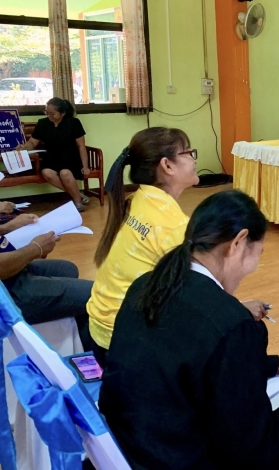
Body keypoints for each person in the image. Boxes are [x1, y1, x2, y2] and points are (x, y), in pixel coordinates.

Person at [100, 190, 279, 470]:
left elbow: (193, 366)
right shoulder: (232, 325)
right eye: (258, 253)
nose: (255, 265)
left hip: (133, 447)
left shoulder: (146, 285)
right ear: (238, 243)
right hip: (185, 460)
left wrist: (275, 364)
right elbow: (255, 447)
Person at [87, 128, 268, 366]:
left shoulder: (138, 199)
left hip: (100, 328)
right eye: (189, 153)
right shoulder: (173, 227)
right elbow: (200, 299)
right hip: (125, 341)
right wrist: (239, 311)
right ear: (167, 166)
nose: (194, 160)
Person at [0, 214, 93, 349]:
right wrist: (35, 248)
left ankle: (77, 339)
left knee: (67, 270)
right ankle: (89, 358)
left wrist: (7, 228)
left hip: (11, 277)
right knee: (93, 296)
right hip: (6, 293)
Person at [16, 97, 90, 211]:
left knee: (65, 173)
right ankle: (79, 195)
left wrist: (85, 166)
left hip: (71, 159)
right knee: (46, 172)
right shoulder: (42, 123)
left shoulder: (74, 123)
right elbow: (32, 142)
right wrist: (24, 147)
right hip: (51, 159)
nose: (49, 116)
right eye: (47, 113)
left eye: (52, 114)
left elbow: (81, 146)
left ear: (62, 113)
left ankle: (78, 203)